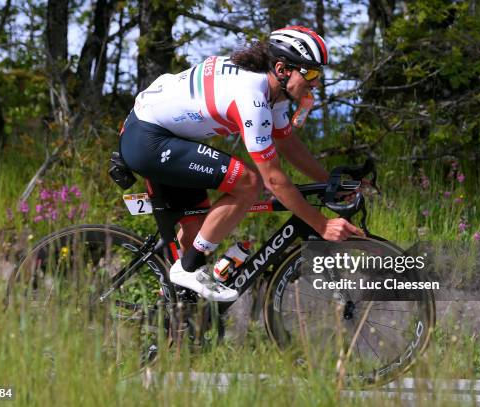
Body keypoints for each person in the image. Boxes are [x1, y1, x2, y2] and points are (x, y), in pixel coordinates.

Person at [119, 26, 363, 302]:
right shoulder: (252, 97)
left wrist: (328, 181)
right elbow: (273, 179)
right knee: (249, 183)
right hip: (149, 139)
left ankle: (179, 317)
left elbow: (286, 142)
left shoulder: (273, 92)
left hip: (163, 134)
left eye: (319, 74)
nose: (315, 83)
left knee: (199, 232)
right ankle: (186, 270)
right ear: (282, 69)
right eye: (310, 73)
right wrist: (322, 225)